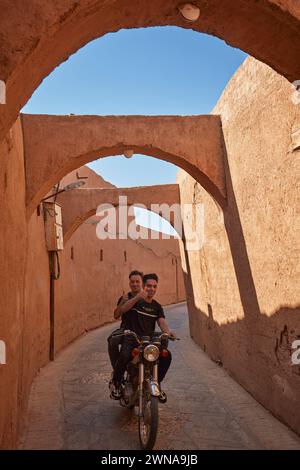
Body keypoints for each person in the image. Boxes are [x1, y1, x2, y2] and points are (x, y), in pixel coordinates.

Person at [111, 273, 176, 402]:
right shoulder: (133, 301)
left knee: (166, 355)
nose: (151, 289)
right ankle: (117, 383)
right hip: (131, 337)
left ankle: (157, 383)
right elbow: (121, 311)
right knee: (124, 355)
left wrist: (168, 332)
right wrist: (137, 298)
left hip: (148, 339)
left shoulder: (157, 306)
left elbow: (161, 321)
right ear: (143, 286)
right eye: (148, 286)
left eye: (154, 286)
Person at [107, 270, 143, 376]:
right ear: (129, 283)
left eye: (137, 281)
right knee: (112, 341)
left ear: (142, 283)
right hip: (126, 330)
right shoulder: (125, 297)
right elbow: (116, 315)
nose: (135, 284)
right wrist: (122, 302)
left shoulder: (146, 298)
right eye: (132, 282)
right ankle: (117, 369)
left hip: (141, 332)